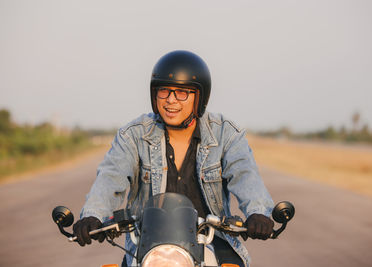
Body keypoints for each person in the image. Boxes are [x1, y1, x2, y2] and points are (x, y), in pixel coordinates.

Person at [73, 50, 275, 267]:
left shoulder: (226, 134)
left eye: (182, 92)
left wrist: (258, 213)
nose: (170, 100)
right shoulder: (133, 135)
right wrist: (93, 215)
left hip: (212, 240)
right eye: (164, 91)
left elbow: (245, 175)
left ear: (200, 97)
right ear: (154, 94)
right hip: (148, 244)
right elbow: (111, 177)